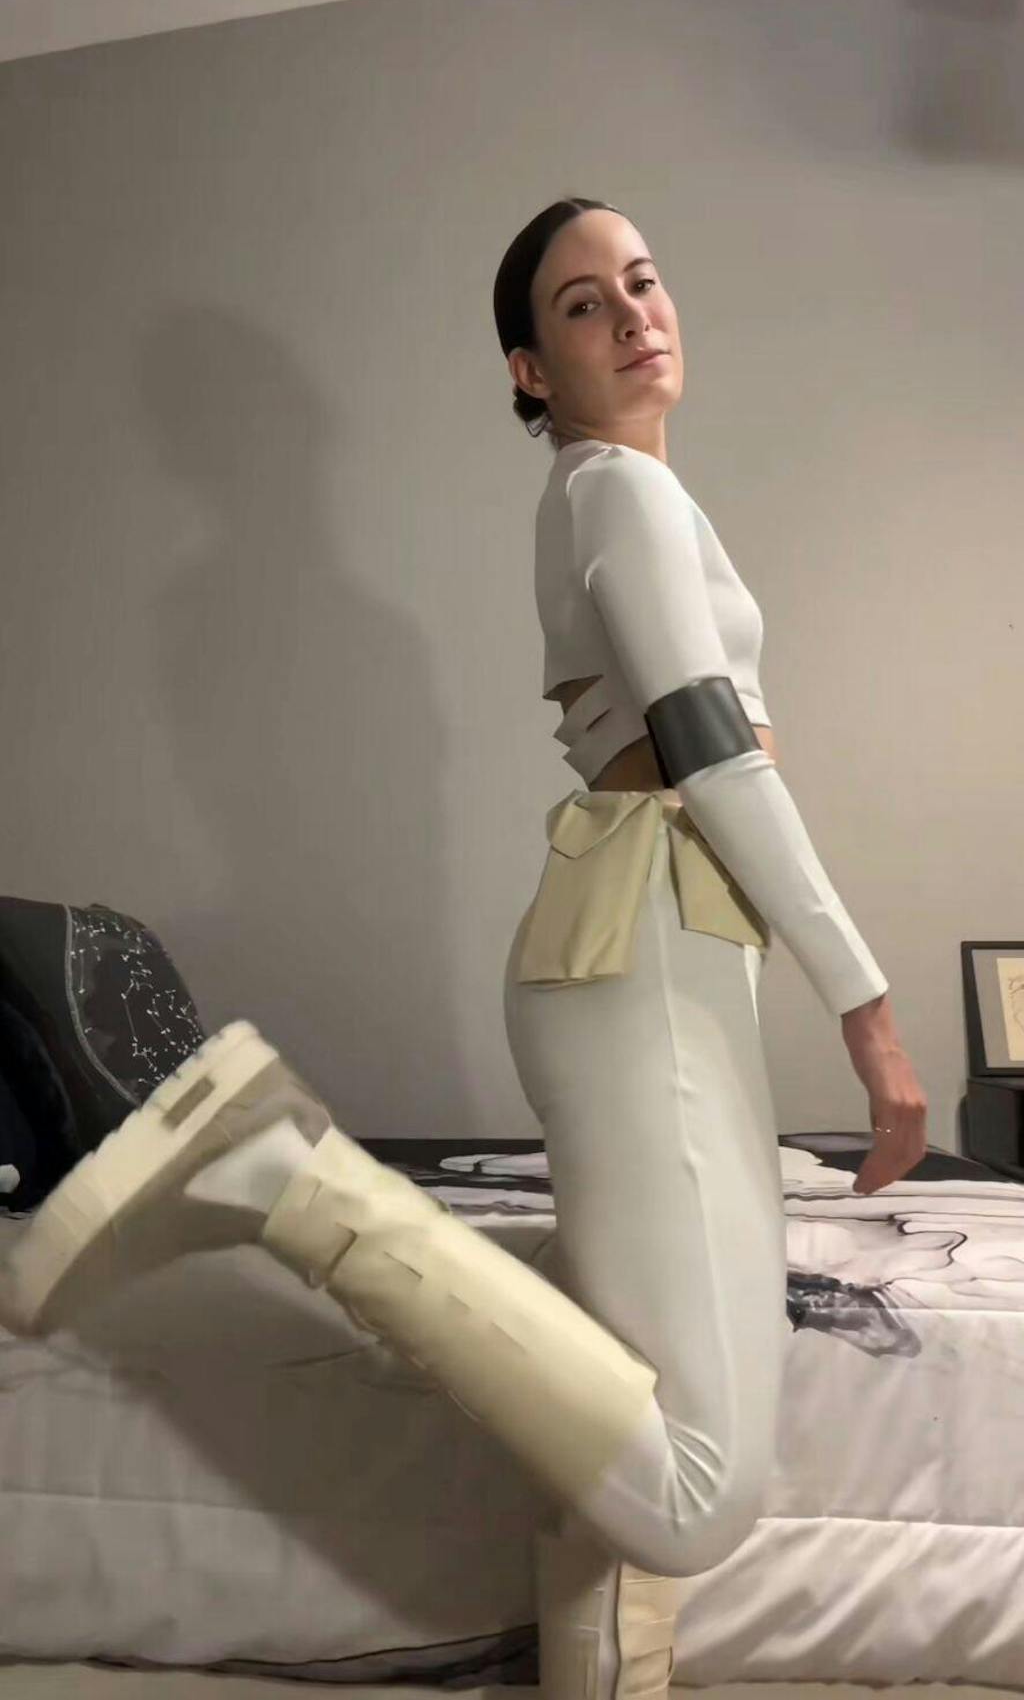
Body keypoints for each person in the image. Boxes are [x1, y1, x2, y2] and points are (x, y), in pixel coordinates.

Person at [0, 197, 927, 1700]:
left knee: (622, 1389)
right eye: (583, 304)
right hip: (643, 950)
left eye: (642, 281)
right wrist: (869, 1010)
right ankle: (280, 1173)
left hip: (644, 945)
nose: (632, 314)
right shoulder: (617, 491)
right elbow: (708, 745)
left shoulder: (616, 493)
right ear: (529, 370)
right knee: (701, 1496)